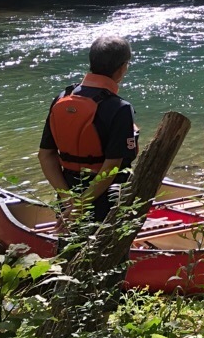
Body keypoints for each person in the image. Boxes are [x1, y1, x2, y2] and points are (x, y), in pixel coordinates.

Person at [38, 34, 138, 223]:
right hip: (106, 199)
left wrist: (68, 199)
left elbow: (45, 155)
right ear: (122, 68)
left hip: (68, 193)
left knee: (70, 239)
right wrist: (82, 205)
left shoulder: (61, 98)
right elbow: (112, 166)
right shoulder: (120, 108)